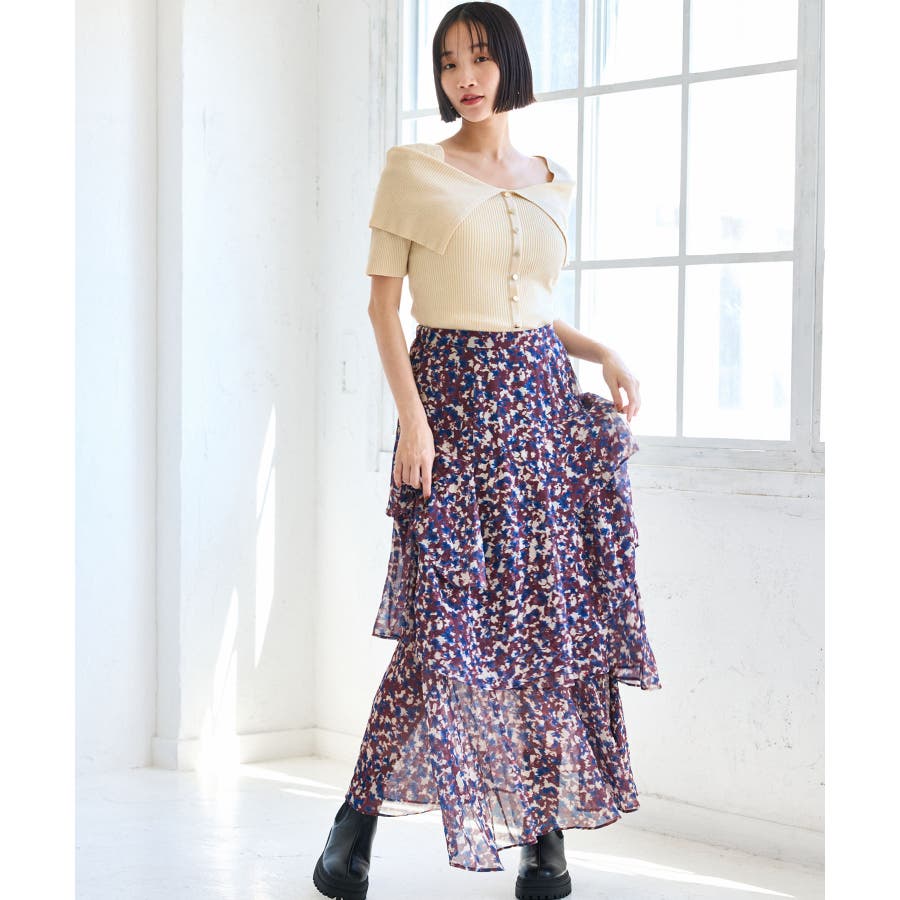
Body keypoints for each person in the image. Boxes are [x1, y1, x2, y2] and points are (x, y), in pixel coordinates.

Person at [313, 4, 662, 899]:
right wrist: (414, 420)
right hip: (453, 411)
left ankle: (544, 838)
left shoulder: (550, 179)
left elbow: (532, 306)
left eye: (478, 58)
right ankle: (355, 823)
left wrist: (602, 351)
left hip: (540, 411)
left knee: (543, 625)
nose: (464, 77)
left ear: (508, 63)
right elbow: (383, 308)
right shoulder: (413, 170)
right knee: (444, 628)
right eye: (447, 63)